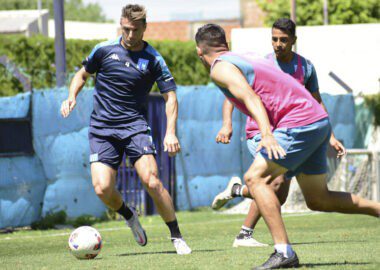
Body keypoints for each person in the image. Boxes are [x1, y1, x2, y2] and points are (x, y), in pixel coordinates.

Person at [195, 23, 380, 269]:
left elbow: (251, 97)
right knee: (318, 199)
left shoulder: (220, 68)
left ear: (199, 52)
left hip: (297, 123)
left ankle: (283, 252)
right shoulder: (244, 56)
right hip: (316, 120)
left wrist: (267, 134)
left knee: (255, 179)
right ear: (225, 45)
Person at [60, 4, 191, 255]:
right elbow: (81, 75)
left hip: (135, 128)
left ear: (144, 28)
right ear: (122, 25)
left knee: (151, 181)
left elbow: (171, 97)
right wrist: (71, 97)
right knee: (102, 188)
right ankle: (129, 215)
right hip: (102, 129)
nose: (130, 35)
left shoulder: (154, 59)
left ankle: (176, 236)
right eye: (126, 29)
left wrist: (170, 132)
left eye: (135, 30)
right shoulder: (103, 50)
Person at [212, 18, 346, 248]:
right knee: (276, 180)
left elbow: (316, 102)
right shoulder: (263, 64)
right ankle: (276, 246)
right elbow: (234, 95)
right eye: (274, 39)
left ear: (294, 40)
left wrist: (330, 136)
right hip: (261, 133)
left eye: (284, 39)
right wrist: (227, 124)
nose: (278, 44)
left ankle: (241, 214)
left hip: (289, 132)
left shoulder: (306, 67)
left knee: (278, 193)